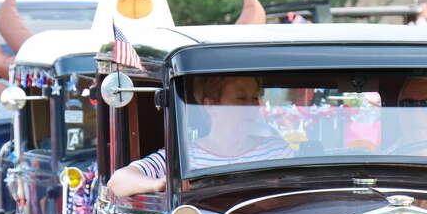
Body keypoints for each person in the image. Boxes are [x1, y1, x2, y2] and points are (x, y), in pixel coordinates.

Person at [107, 75, 291, 197]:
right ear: (210, 105)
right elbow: (118, 181)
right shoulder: (183, 156)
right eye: (241, 99)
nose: (253, 107)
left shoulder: (276, 150)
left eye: (254, 98)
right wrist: (158, 185)